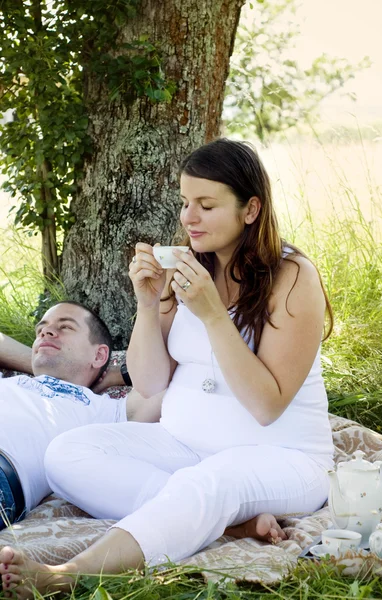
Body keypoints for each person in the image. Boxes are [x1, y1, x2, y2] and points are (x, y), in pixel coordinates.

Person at [0, 138, 333, 598]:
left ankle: (69, 575)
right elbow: (152, 381)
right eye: (184, 202)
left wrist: (214, 314)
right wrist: (147, 300)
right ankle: (227, 523)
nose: (187, 218)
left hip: (283, 458)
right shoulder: (190, 267)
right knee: (66, 454)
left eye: (206, 205)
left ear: (250, 209)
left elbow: (266, 405)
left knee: (209, 483)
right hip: (182, 446)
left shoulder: (292, 276)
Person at [0, 301, 130, 530]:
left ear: (99, 355)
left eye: (66, 327)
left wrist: (114, 374)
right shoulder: (12, 383)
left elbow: (170, 378)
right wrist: (39, 362)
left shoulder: (106, 409)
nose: (46, 332)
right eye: (41, 330)